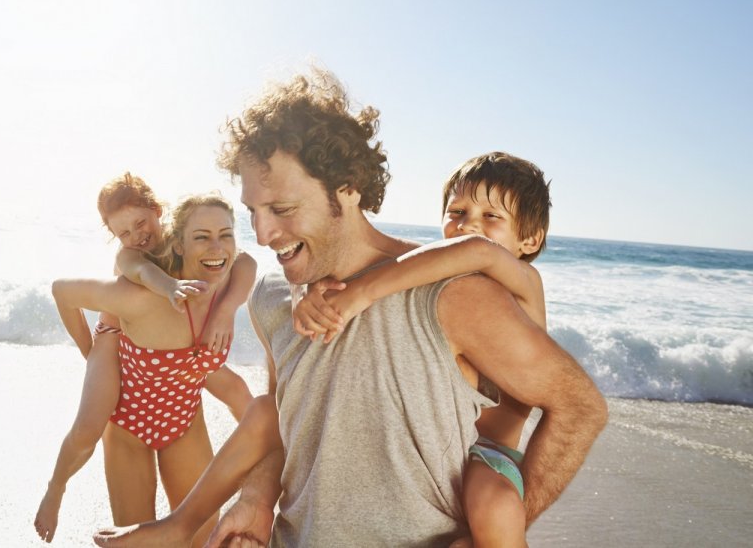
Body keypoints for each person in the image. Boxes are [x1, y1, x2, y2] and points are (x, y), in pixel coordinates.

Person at [96, 67, 607, 547]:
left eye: (283, 208)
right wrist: (255, 498)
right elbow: (280, 419)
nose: (263, 232)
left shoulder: (456, 293)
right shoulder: (274, 298)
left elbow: (579, 407)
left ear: (347, 187)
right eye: (254, 209)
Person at [292, 151, 553, 546]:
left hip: (488, 455)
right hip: (433, 455)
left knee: (493, 508)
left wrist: (360, 294)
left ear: (529, 239)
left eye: (491, 218)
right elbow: (364, 261)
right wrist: (306, 291)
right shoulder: (441, 279)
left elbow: (477, 251)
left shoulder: (523, 280)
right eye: (458, 212)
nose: (468, 227)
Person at [34, 192, 256, 546]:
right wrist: (90, 351)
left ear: (159, 216)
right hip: (128, 419)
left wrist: (228, 308)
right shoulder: (136, 292)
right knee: (87, 429)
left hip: (182, 420)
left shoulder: (224, 273)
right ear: (182, 243)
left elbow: (247, 263)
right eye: (202, 237)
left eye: (225, 235)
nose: (216, 247)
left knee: (202, 541)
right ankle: (55, 487)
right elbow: (64, 290)